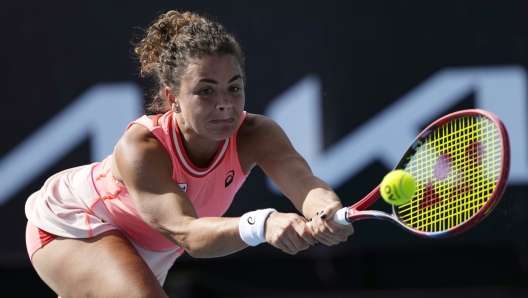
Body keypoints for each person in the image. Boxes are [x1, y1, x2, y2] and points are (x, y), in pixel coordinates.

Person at [25, 10, 354, 297]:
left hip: (150, 251)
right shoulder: (142, 147)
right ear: (173, 98)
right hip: (75, 221)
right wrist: (262, 223)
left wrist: (325, 210)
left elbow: (305, 183)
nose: (224, 103)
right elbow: (187, 233)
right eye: (206, 91)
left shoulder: (256, 134)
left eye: (234, 87)